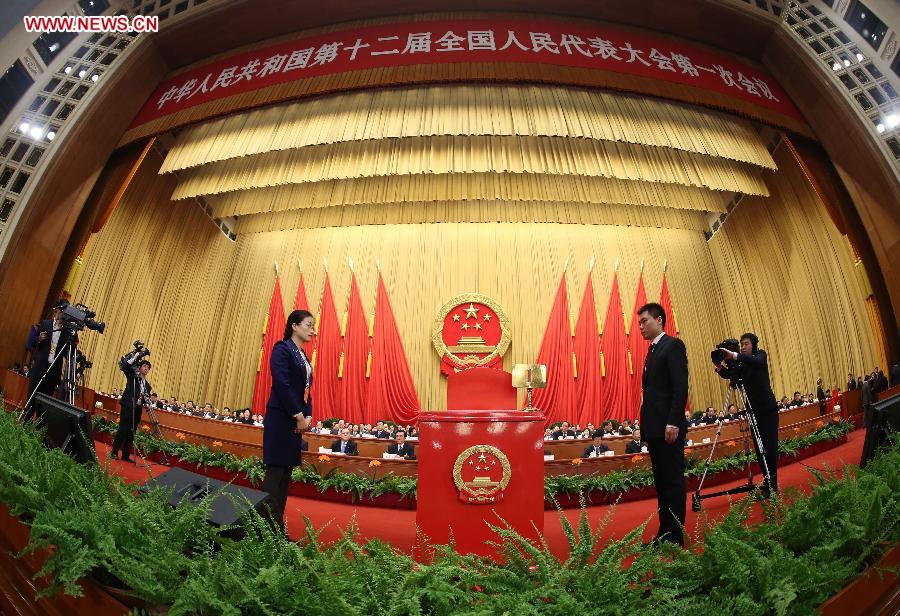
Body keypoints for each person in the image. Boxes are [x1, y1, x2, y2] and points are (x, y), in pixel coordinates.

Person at [637, 302, 689, 547]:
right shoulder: (652, 351)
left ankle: (676, 537)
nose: (640, 327)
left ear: (659, 320)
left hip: (668, 428)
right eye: (639, 323)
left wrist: (673, 422)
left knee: (673, 482)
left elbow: (680, 388)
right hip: (655, 429)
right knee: (662, 484)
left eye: (644, 321)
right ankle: (664, 534)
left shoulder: (673, 346)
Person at [262, 309, 315, 533]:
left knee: (285, 477)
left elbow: (306, 389)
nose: (313, 330)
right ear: (294, 325)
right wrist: (298, 414)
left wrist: (308, 413)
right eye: (308, 325)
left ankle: (276, 530)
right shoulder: (282, 349)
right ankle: (262, 530)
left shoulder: (304, 356)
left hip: (296, 422)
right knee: (274, 475)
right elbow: (282, 385)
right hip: (282, 419)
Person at [715, 332, 779, 497]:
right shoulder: (743, 363)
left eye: (746, 344)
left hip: (768, 410)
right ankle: (767, 481)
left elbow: (756, 361)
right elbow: (731, 375)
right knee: (759, 449)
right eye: (741, 345)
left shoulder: (760, 355)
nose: (743, 347)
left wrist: (735, 356)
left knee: (770, 447)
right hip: (753, 412)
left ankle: (773, 483)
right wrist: (720, 366)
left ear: (754, 345)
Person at [23, 300, 69, 423]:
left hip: (52, 374)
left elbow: (67, 354)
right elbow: (31, 344)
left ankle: (37, 434)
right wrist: (39, 339)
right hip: (39, 369)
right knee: (31, 401)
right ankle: (25, 429)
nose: (63, 314)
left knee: (43, 408)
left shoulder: (66, 332)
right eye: (61, 311)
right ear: (56, 311)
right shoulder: (45, 324)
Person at [111, 357, 152, 463]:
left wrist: (147, 403)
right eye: (144, 366)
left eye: (148, 368)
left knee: (131, 433)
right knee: (123, 430)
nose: (146, 369)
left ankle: (125, 455)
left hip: (138, 409)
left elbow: (145, 398)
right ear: (139, 367)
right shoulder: (132, 377)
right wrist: (135, 356)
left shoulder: (147, 385)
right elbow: (126, 367)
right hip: (128, 406)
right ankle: (114, 452)